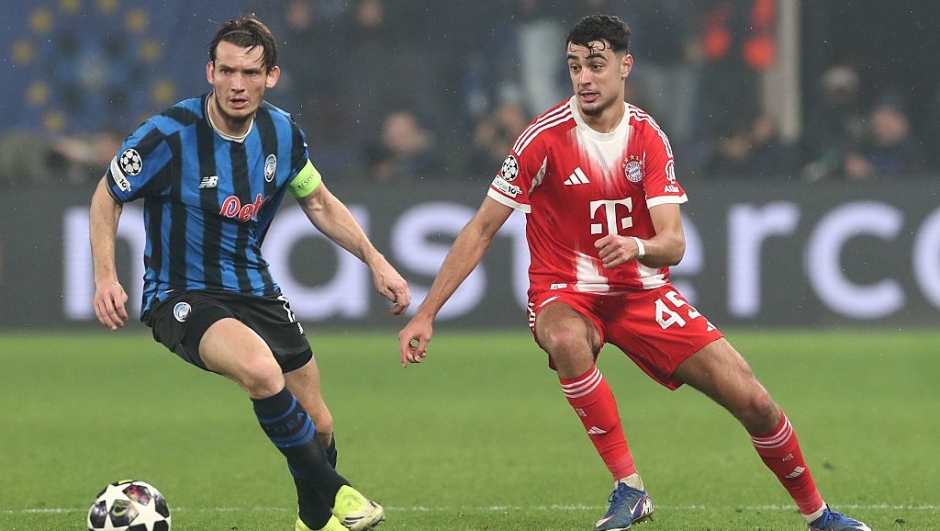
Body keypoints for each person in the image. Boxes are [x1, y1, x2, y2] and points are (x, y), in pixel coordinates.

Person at [398, 14, 870, 531]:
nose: (585, 78)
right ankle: (630, 488)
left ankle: (820, 516)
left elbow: (673, 245)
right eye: (575, 66)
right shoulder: (541, 139)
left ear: (625, 66)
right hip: (567, 290)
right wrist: (426, 312)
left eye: (596, 65)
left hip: (642, 294)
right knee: (563, 337)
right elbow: (480, 229)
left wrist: (638, 246)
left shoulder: (648, 138)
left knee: (754, 401)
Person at [89, 15, 409, 531]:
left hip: (253, 287)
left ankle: (314, 521)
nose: (238, 85)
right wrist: (106, 275)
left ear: (271, 76)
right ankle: (341, 494)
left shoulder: (283, 133)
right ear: (210, 72)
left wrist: (375, 259)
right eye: (228, 71)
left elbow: (320, 203)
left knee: (320, 424)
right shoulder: (168, 135)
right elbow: (107, 194)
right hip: (180, 293)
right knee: (261, 372)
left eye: (251, 73)